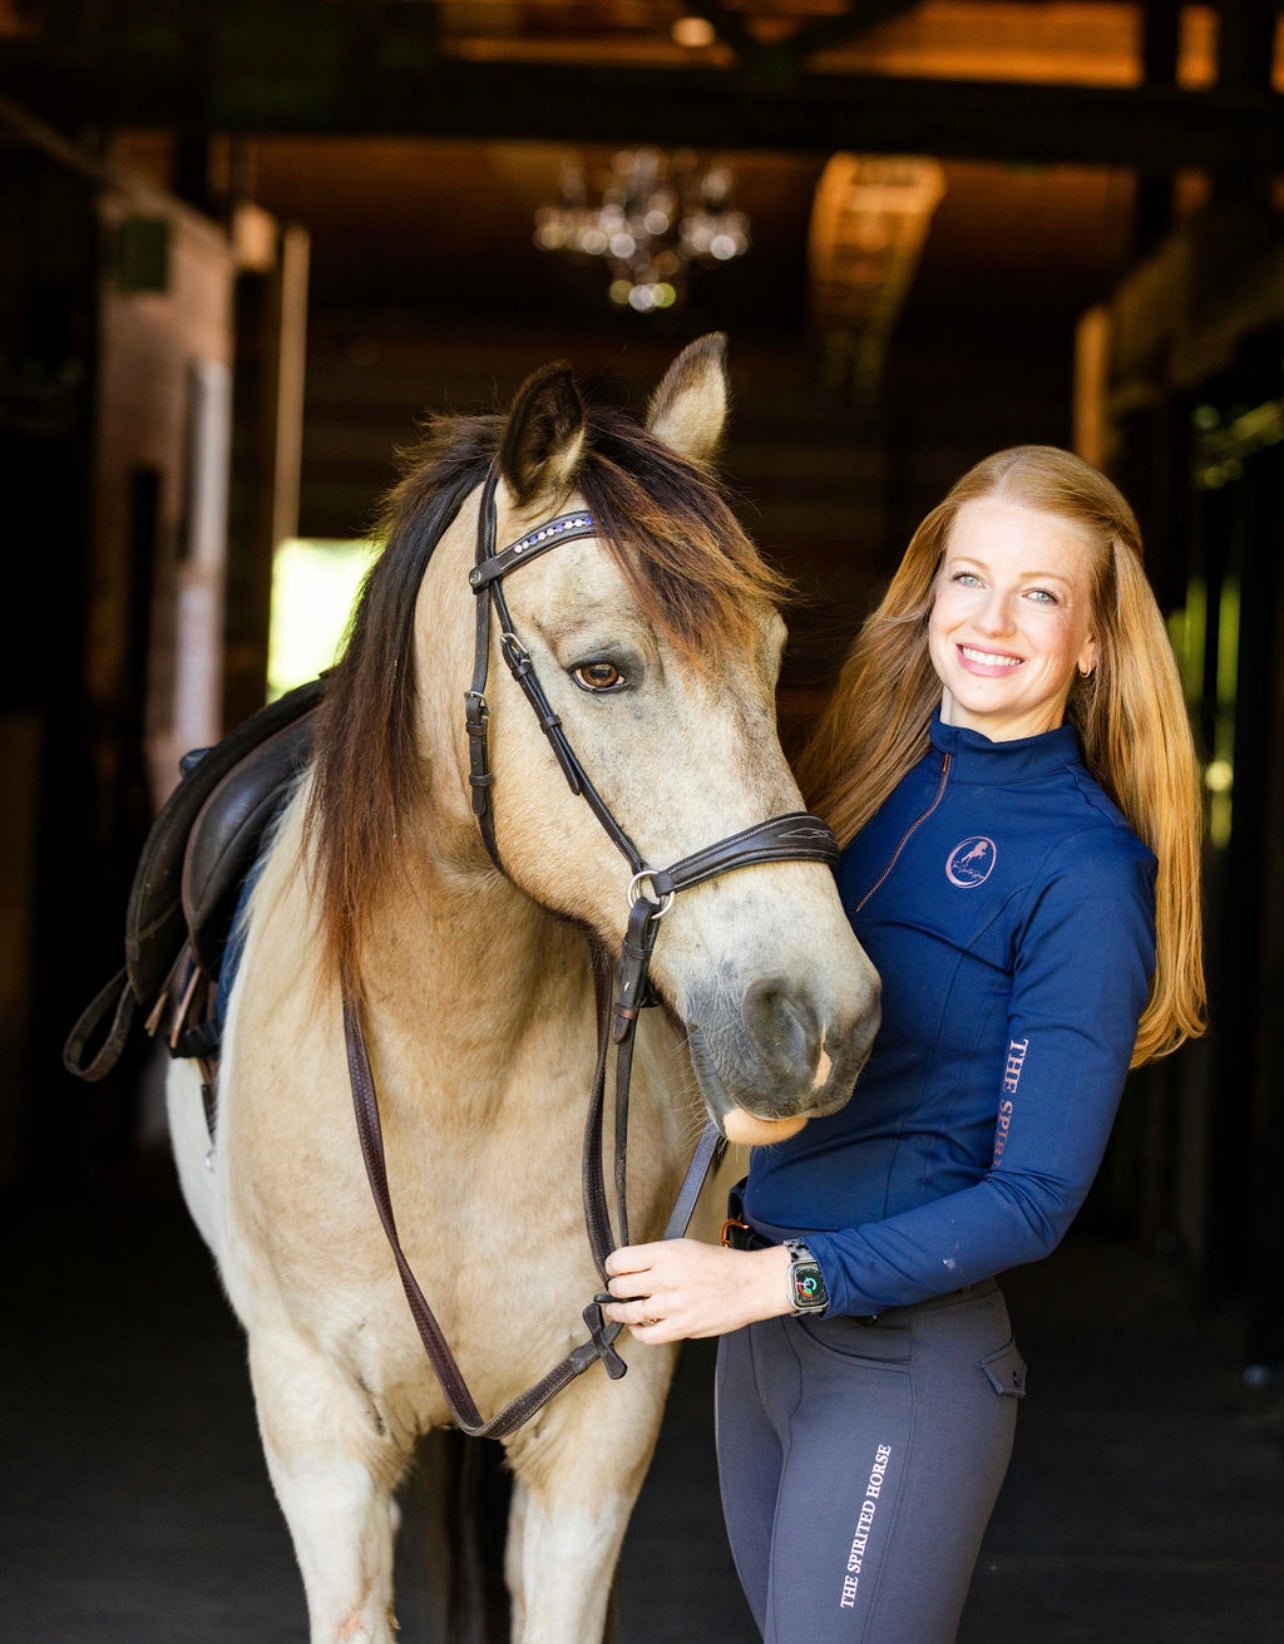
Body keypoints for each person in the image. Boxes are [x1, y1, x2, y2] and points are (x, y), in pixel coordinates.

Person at [602, 445, 1206, 1643]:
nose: (992, 618)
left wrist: (770, 1279)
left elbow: (1032, 1199)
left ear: (1091, 640)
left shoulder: (1085, 870)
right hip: (764, 1355)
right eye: (969, 577)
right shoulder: (846, 788)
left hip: (901, 1368)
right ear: (927, 592)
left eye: (1041, 593)